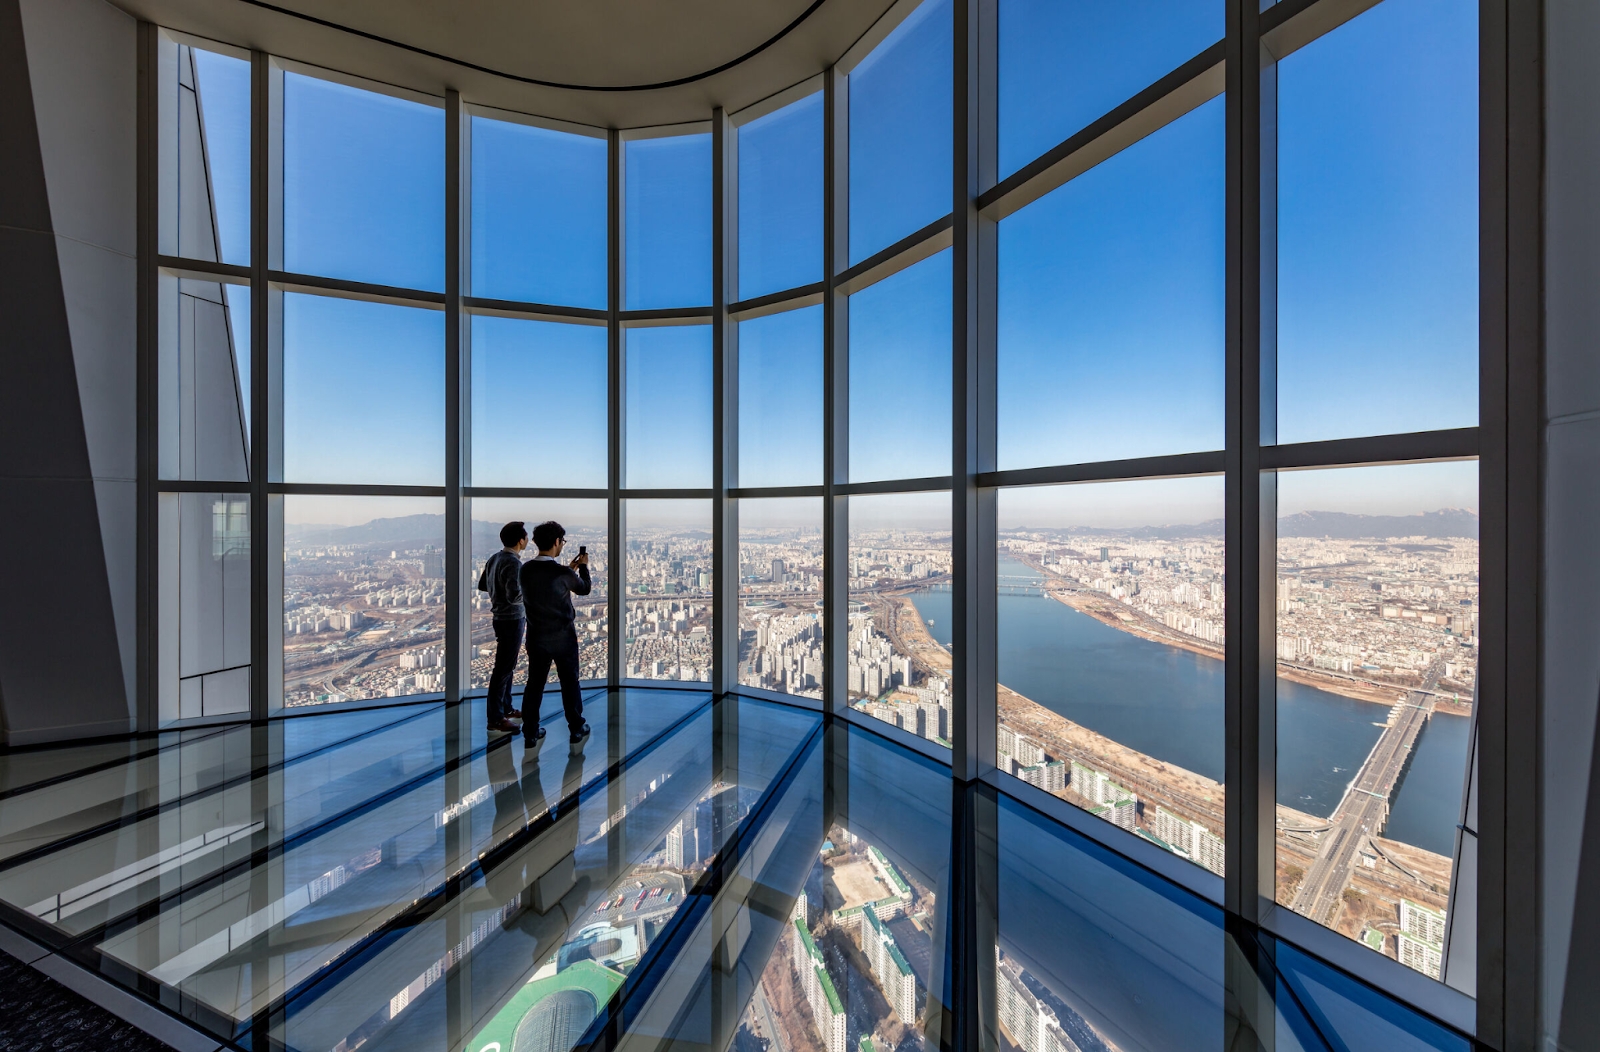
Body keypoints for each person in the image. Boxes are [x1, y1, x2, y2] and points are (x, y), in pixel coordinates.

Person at [520, 520, 592, 745]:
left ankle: (530, 732)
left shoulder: (525, 570)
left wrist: (568, 570)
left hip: (536, 637)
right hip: (563, 637)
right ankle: (576, 729)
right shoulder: (562, 573)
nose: (562, 545)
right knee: (569, 683)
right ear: (556, 542)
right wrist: (583, 568)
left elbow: (546, 585)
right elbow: (584, 589)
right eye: (562, 541)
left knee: (535, 684)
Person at [478, 521, 540, 738]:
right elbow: (515, 596)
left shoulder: (494, 558)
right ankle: (495, 719)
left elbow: (483, 585)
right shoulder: (513, 563)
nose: (527, 541)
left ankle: (505, 708)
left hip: (499, 616)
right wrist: (532, 593)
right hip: (512, 619)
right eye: (525, 538)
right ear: (520, 541)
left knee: (507, 665)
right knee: (503, 668)